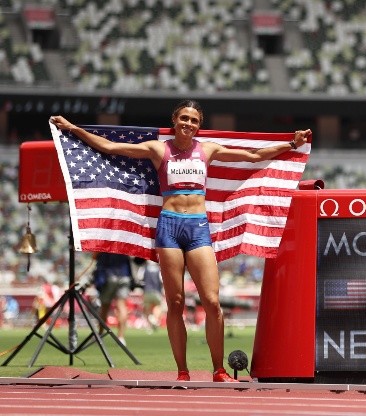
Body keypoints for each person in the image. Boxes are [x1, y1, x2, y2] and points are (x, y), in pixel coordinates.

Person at [50, 100, 311, 382]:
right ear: (175, 121)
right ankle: (183, 371)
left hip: (198, 227)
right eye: (184, 118)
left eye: (194, 120)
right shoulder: (158, 149)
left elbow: (253, 156)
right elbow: (110, 148)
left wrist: (291, 144)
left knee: (212, 301)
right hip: (169, 227)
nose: (188, 123)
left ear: (199, 125)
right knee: (175, 303)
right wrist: (73, 128)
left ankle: (219, 370)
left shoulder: (207, 149)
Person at [93, 252, 133, 346]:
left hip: (108, 274)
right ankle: (121, 337)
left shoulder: (105, 238)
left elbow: (94, 256)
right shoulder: (125, 238)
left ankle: (100, 335)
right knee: (122, 306)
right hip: (124, 275)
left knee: (105, 307)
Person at [139, 259, 164, 332]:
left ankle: (150, 323)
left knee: (147, 309)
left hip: (147, 291)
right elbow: (162, 281)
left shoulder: (143, 268)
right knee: (158, 306)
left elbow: (140, 279)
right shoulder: (159, 270)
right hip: (157, 292)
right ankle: (154, 320)